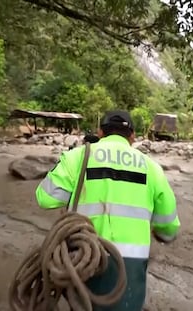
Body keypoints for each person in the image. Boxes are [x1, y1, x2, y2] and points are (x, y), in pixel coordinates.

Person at [35, 110, 180, 311]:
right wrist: (163, 233)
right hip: (131, 262)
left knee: (83, 305)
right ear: (132, 136)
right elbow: (168, 225)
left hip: (84, 258)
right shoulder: (152, 167)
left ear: (100, 132)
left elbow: (45, 199)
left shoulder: (76, 157)